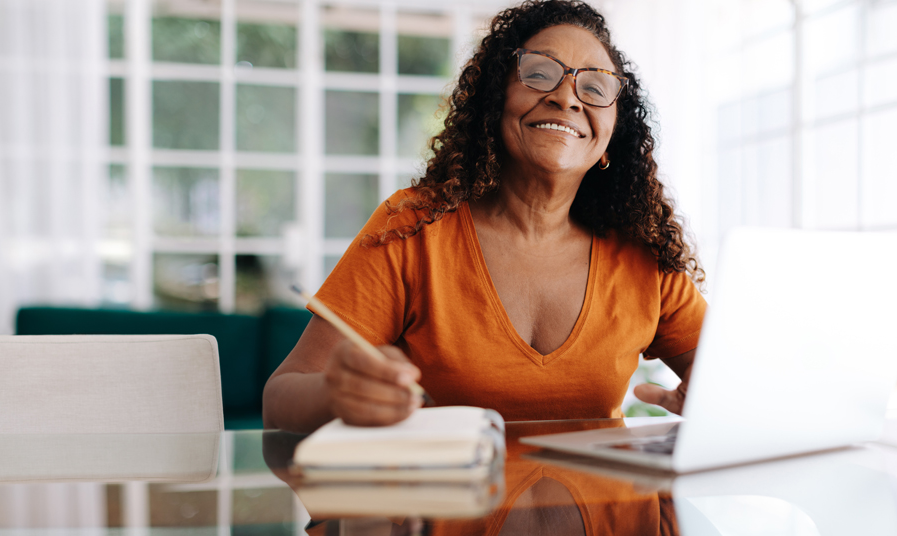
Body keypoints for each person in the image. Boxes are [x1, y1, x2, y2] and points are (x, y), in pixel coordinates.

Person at [263, 0, 706, 433]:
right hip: (446, 503)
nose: (566, 97)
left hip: (604, 506)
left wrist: (713, 400)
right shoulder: (413, 227)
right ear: (495, 101)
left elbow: (742, 386)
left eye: (594, 88)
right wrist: (336, 394)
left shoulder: (644, 256)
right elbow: (280, 398)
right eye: (538, 74)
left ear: (612, 134)